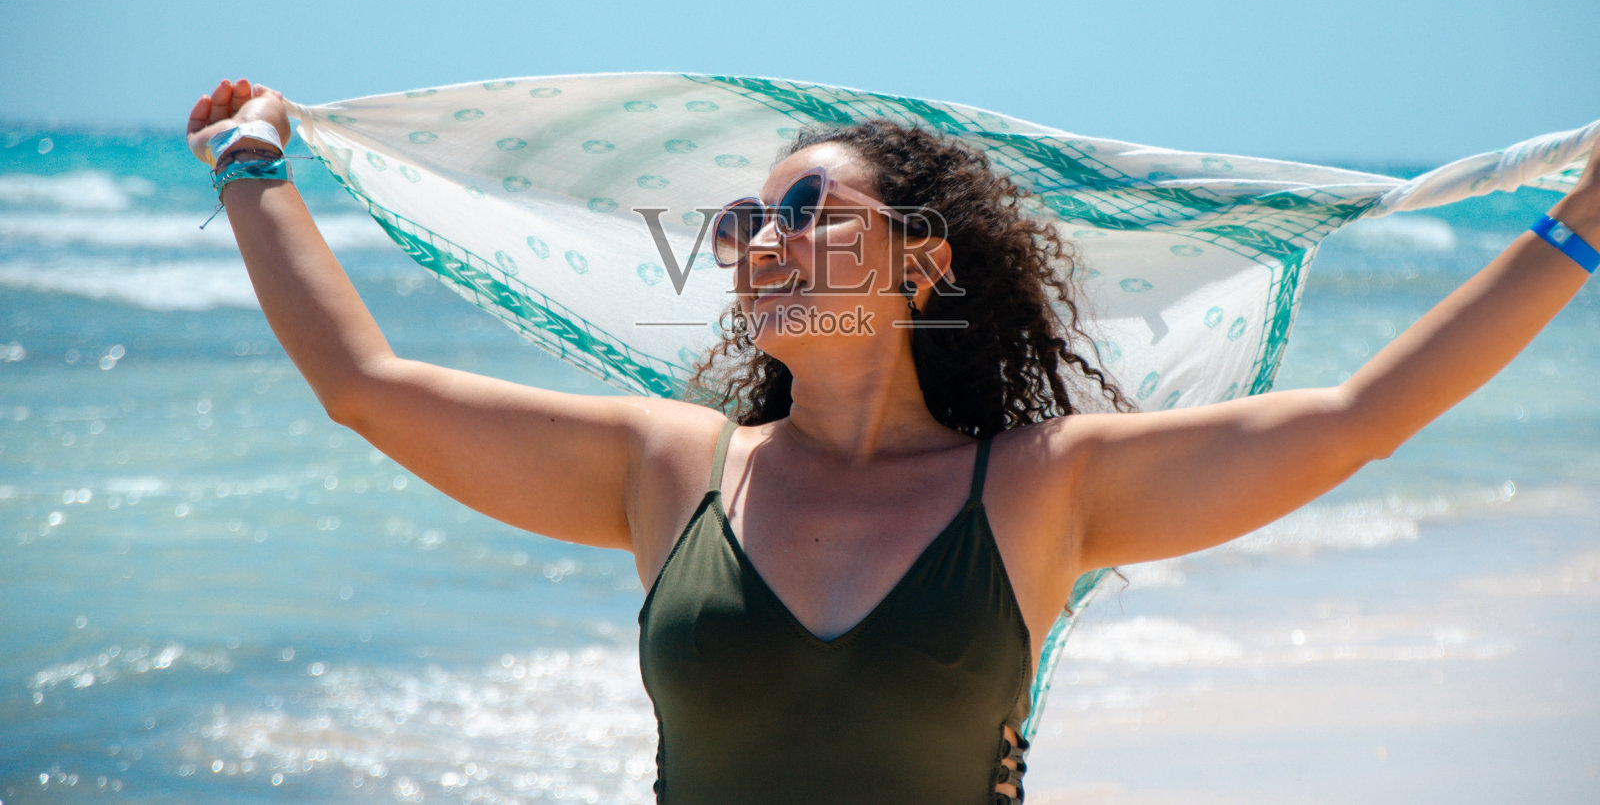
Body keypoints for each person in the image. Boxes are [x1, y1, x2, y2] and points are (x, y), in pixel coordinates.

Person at [187, 77, 1598, 804]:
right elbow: (366, 385)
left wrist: (1573, 231)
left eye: (809, 211)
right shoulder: (670, 471)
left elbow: (1362, 421)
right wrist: (255, 170)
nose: (759, 240)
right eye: (745, 223)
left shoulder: (1049, 488)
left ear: (922, 268)